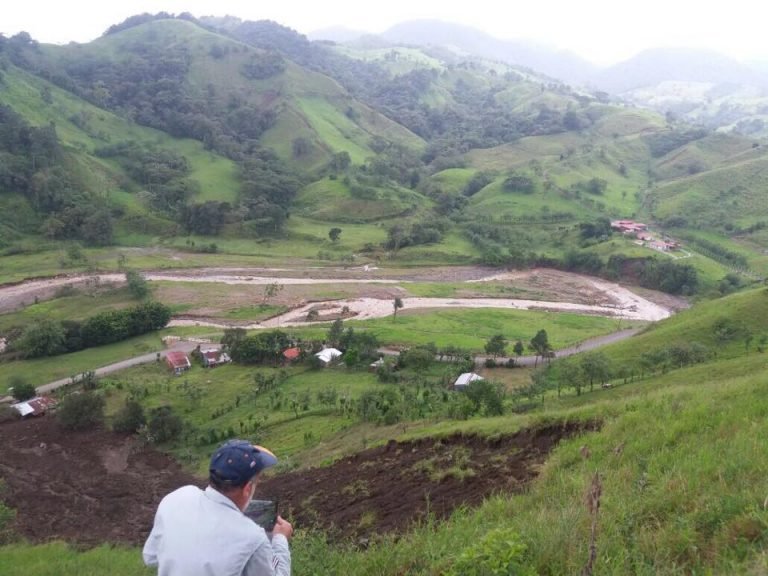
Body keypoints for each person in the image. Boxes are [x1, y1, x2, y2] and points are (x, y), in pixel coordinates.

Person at [143, 440, 293, 576]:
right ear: (248, 488)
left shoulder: (177, 497)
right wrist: (280, 539)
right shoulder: (253, 538)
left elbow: (150, 557)